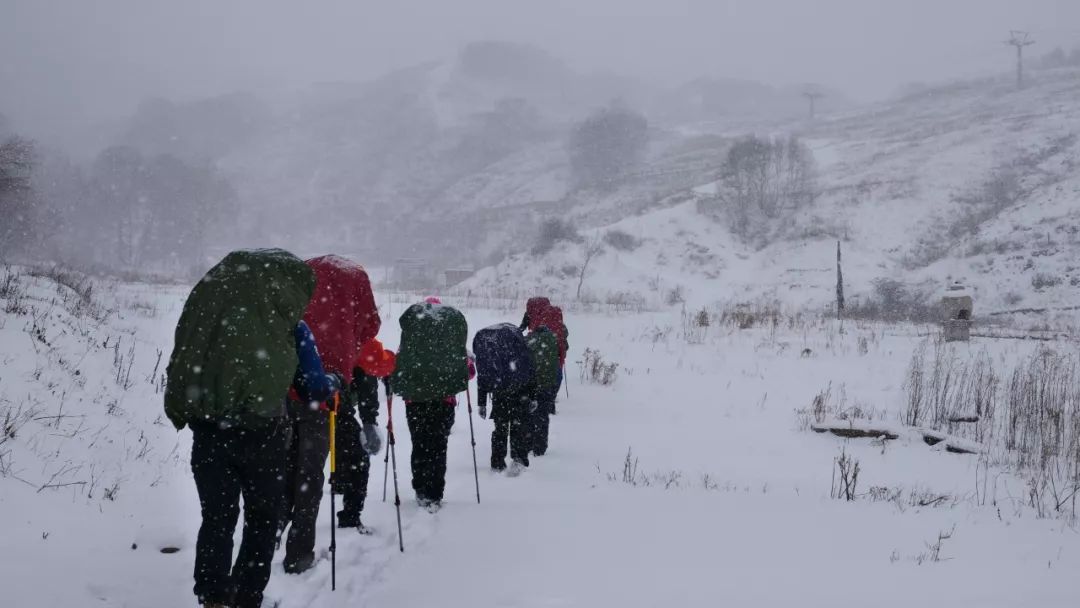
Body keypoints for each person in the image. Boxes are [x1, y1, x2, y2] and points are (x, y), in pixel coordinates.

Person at [164, 249, 339, 608]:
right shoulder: (290, 327)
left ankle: (213, 597)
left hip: (209, 435)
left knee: (217, 517)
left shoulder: (207, 321)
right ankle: (247, 597)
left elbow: (183, 364)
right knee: (261, 518)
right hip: (264, 435)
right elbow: (312, 387)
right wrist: (331, 384)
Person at [278, 254, 380, 574]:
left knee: (284, 467)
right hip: (324, 394)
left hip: (285, 390)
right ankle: (298, 555)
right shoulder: (353, 285)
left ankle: (268, 540)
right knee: (310, 475)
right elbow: (371, 327)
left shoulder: (303, 280)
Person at [391, 296, 472, 511]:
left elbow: (398, 366)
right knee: (438, 447)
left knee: (419, 445)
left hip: (414, 403)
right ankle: (435, 494)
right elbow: (468, 373)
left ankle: (420, 490)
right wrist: (467, 361)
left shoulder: (411, 343)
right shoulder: (450, 345)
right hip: (443, 403)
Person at [334, 338, 395, 531]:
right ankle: (350, 516)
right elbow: (371, 376)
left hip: (296, 406)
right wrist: (369, 421)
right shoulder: (360, 338)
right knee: (357, 460)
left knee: (298, 467)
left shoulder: (305, 325)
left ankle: (279, 525)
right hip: (335, 408)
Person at [473, 323, 535, 476]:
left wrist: (481, 403)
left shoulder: (492, 357)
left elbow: (483, 378)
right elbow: (531, 373)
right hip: (520, 394)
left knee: (500, 429)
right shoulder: (521, 351)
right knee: (518, 428)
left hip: (500, 395)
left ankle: (497, 462)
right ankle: (519, 460)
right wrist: (532, 397)